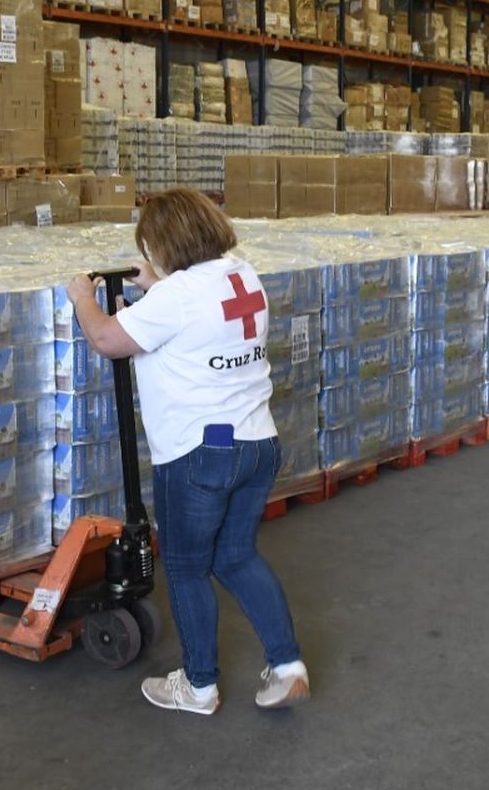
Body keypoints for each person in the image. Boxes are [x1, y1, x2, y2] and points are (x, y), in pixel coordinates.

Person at [65, 188, 308, 716]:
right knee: (236, 555)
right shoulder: (242, 275)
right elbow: (201, 310)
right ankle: (287, 665)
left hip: (200, 454)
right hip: (256, 443)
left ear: (164, 243)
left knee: (186, 566)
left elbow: (108, 339)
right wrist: (155, 285)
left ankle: (198, 686)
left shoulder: (177, 299)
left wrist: (83, 296)